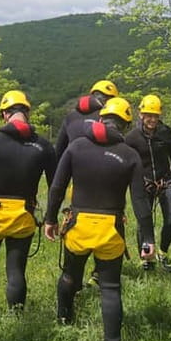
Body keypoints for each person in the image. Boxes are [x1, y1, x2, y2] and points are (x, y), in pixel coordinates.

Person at [44, 97, 156, 341]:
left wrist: (49, 219)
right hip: (110, 229)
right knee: (110, 288)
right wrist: (148, 239)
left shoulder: (76, 147)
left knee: (70, 275)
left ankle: (63, 319)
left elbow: (57, 187)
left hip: (78, 224)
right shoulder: (129, 155)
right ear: (126, 123)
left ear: (100, 117)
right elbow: (140, 201)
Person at [0, 90, 56, 323]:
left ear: (5, 114)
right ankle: (18, 317)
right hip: (24, 215)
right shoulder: (44, 146)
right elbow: (55, 186)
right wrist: (51, 217)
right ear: (26, 113)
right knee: (16, 267)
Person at [54, 79, 119, 287]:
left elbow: (59, 150)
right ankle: (100, 270)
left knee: (78, 225)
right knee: (105, 226)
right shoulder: (107, 118)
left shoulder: (71, 116)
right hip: (107, 184)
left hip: (77, 182)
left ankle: (72, 276)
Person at [125, 94, 171, 272]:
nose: (152, 119)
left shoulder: (166, 132)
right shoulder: (132, 137)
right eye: (148, 115)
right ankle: (146, 258)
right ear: (141, 114)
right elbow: (127, 161)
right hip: (144, 182)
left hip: (165, 180)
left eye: (155, 115)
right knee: (144, 222)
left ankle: (163, 253)